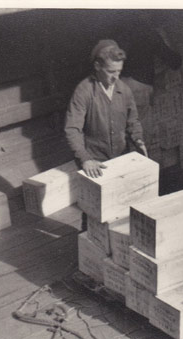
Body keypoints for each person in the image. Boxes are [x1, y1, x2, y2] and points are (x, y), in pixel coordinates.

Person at [64, 39, 147, 230]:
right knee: (93, 212)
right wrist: (85, 159)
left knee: (121, 207)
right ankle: (87, 253)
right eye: (111, 72)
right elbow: (72, 129)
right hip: (95, 160)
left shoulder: (123, 90)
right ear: (97, 66)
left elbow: (132, 120)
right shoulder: (84, 91)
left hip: (120, 155)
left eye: (119, 71)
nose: (115, 77)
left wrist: (138, 138)